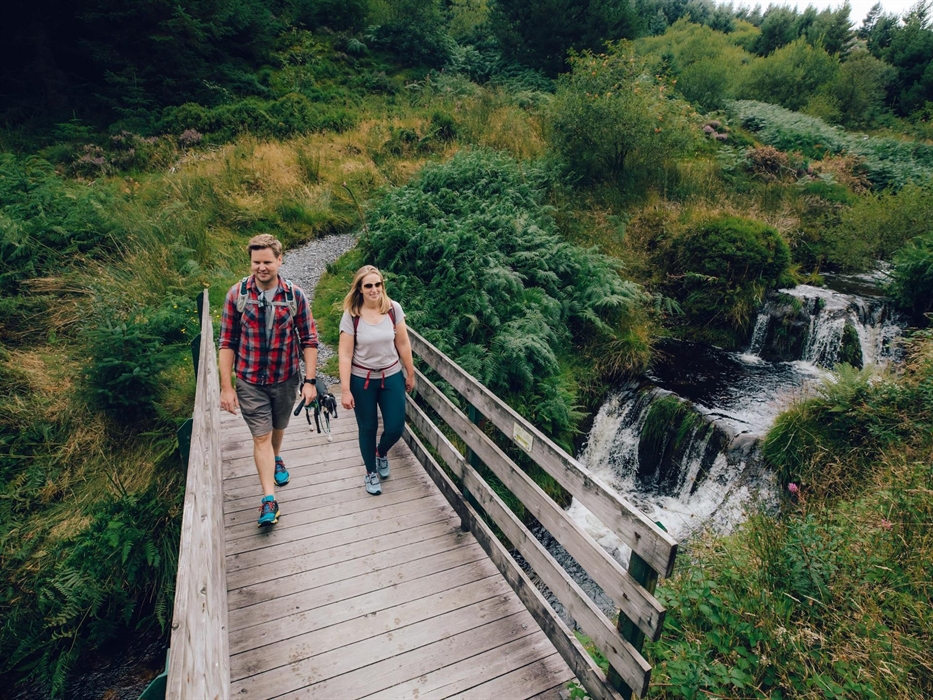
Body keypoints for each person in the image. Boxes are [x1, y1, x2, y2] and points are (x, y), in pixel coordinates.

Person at [219, 234, 319, 527]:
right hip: (250, 380)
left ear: (279, 260)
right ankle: (268, 500)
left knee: (278, 427)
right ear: (250, 262)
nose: (261, 268)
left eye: (267, 262)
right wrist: (227, 387)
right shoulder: (236, 295)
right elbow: (227, 342)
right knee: (260, 436)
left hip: (285, 377)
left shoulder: (294, 296)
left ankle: (276, 457)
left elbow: (310, 340)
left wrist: (310, 380)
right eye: (256, 262)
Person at [338, 265, 416, 495]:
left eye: (377, 284)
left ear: (382, 285)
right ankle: (370, 472)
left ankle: (381, 453)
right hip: (362, 380)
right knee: (368, 427)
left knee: (395, 427)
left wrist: (410, 373)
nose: (374, 290)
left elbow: (403, 343)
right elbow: (345, 354)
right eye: (368, 286)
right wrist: (344, 390)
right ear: (360, 289)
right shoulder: (352, 315)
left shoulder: (393, 309)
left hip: (391, 375)